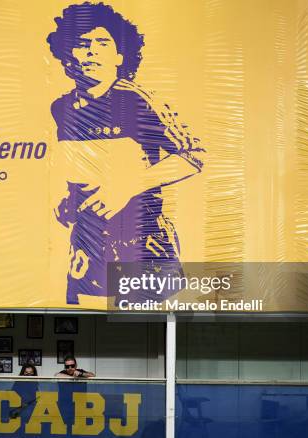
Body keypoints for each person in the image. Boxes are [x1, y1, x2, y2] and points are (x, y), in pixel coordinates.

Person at [47, 2, 205, 305]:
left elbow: (194, 152)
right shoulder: (61, 108)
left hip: (142, 241)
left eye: (102, 43)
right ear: (69, 56)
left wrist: (127, 186)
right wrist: (69, 202)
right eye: (82, 44)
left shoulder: (136, 100)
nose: (91, 51)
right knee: (89, 323)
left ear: (120, 56)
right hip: (88, 243)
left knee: (151, 325)